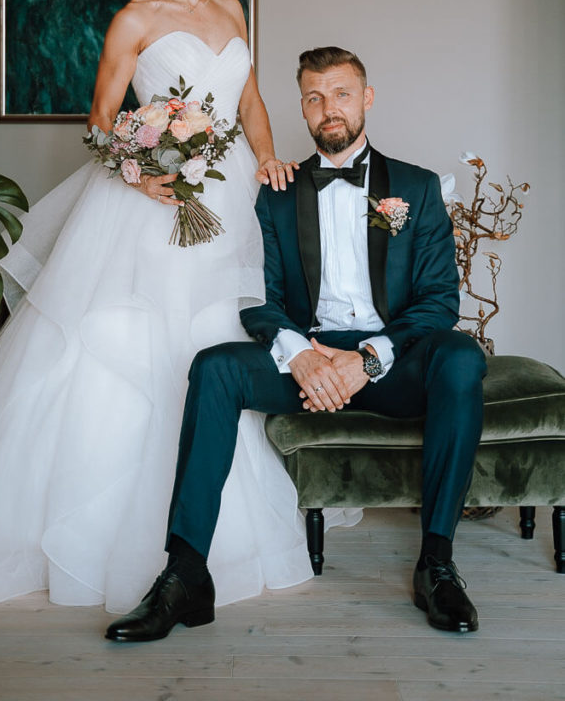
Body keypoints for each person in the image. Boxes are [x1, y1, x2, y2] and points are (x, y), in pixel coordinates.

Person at [0, 0, 360, 612]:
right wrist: (142, 176)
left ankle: (214, 523)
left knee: (226, 335)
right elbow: (103, 120)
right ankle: (107, 529)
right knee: (133, 346)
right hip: (153, 202)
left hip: (230, 200)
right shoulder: (133, 18)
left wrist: (266, 159)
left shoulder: (230, 9)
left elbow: (252, 102)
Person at [106, 45, 487, 644]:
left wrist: (367, 359)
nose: (328, 109)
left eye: (340, 93)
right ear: (303, 111)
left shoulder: (415, 186)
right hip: (305, 360)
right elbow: (257, 294)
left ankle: (436, 563)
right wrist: (304, 355)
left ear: (366, 98)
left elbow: (439, 303)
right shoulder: (275, 191)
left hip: (391, 362)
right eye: (314, 98)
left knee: (461, 358)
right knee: (214, 367)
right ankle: (184, 575)